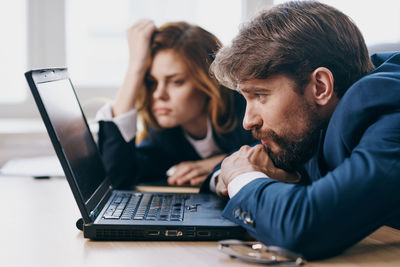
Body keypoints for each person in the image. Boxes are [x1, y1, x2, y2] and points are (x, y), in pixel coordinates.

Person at [208, 1, 400, 260]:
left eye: (260, 95)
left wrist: (241, 177)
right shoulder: (317, 124)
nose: (248, 121)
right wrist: (227, 175)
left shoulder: (387, 106)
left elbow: (306, 226)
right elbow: (251, 163)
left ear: (320, 87)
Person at [96, 20, 255, 189]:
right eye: (151, 82)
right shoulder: (163, 136)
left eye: (176, 82)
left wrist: (219, 163)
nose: (158, 94)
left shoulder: (247, 110)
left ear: (208, 83)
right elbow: (116, 176)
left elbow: (280, 157)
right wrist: (135, 68)